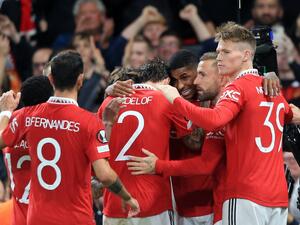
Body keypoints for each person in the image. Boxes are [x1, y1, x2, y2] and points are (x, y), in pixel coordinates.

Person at [156, 22, 295, 225]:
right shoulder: (273, 90)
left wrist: (174, 98)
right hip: (277, 196)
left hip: (245, 194)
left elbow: (214, 120)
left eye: (225, 51)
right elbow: (290, 114)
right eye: (218, 51)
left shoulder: (236, 88)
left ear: (246, 55)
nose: (219, 56)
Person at [0, 50, 140, 225]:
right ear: (80, 80)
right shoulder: (89, 122)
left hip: (37, 218)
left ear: (50, 79)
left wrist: (5, 111)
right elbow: (104, 175)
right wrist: (128, 198)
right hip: (74, 218)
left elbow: (2, 139)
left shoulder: (27, 116)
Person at [97, 60, 190, 225]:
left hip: (115, 205)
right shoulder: (165, 100)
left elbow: (97, 147)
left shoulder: (108, 102)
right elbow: (192, 137)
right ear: (167, 82)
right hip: (153, 205)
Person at [3, 75, 54, 225]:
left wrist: (6, 111)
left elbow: (2, 132)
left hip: (19, 219)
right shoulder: (58, 129)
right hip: (51, 217)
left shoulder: (10, 126)